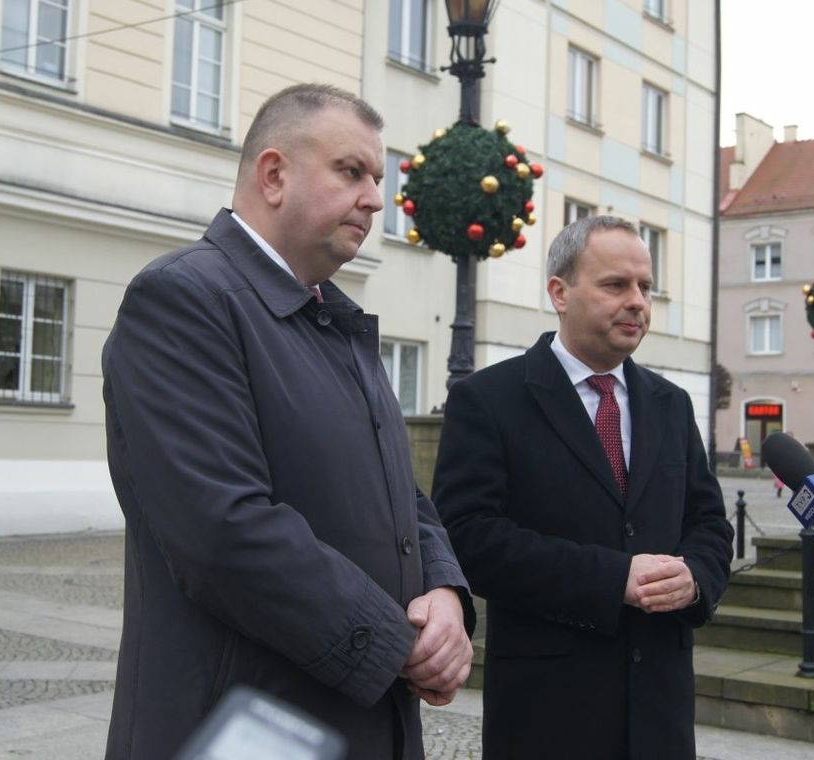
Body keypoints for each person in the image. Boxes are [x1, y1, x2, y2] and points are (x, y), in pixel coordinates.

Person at [101, 83, 474, 760]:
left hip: (354, 722)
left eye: (378, 178)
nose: (374, 198)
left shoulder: (331, 316)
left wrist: (443, 591)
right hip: (233, 726)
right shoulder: (183, 299)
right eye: (350, 171)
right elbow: (224, 529)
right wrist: (395, 644)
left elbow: (402, 496)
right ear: (274, 175)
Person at [432, 215, 734, 759]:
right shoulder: (489, 400)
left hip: (659, 714)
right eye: (615, 285)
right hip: (548, 715)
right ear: (560, 293)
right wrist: (613, 578)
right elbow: (469, 538)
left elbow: (709, 522)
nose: (638, 301)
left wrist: (694, 579)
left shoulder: (671, 404)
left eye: (645, 286)